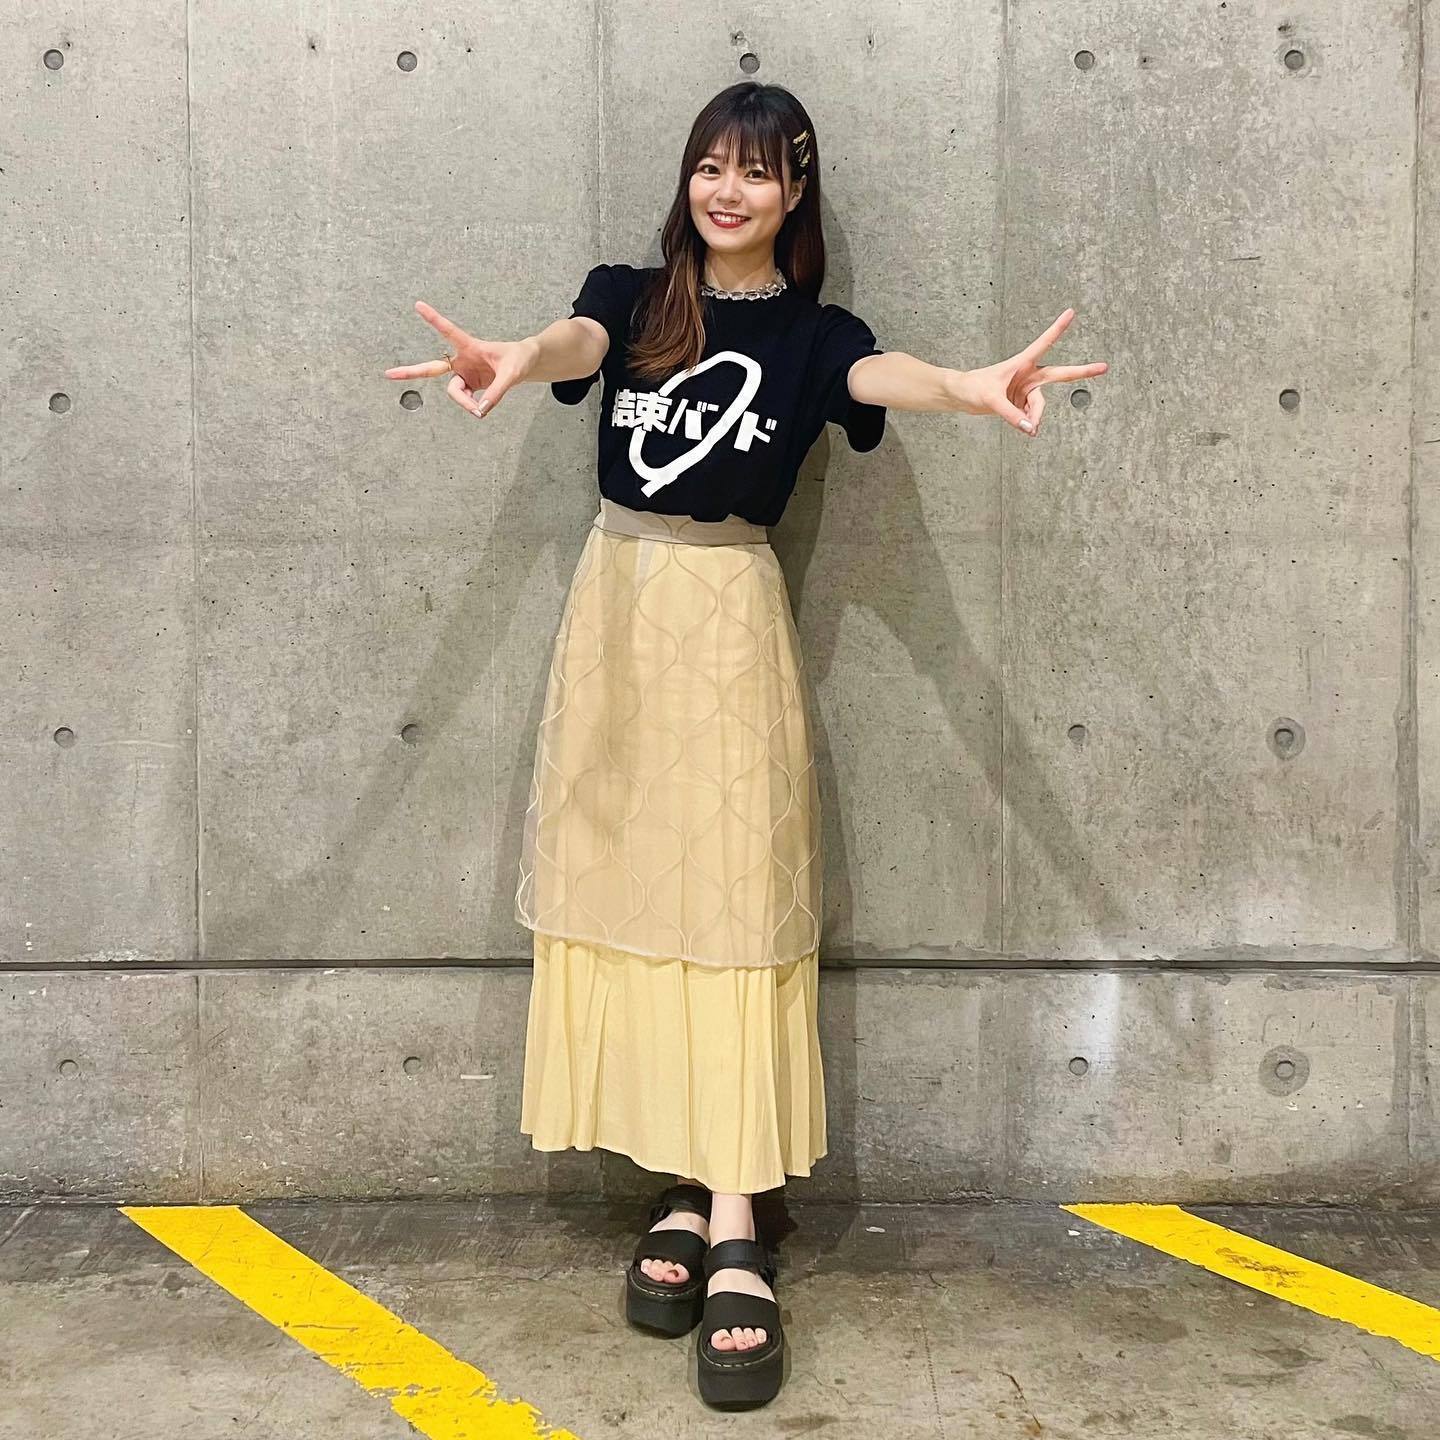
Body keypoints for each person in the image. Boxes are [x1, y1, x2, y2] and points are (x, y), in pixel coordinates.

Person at [385, 79, 1106, 1412]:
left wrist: (970, 387)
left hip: (727, 615)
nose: (729, 190)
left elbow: (879, 379)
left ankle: (734, 1219)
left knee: (732, 905)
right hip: (615, 609)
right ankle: (679, 1175)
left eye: (758, 171)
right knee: (631, 891)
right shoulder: (631, 297)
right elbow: (572, 342)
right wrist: (512, 356)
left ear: (795, 192)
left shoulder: (816, 334)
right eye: (711, 165)